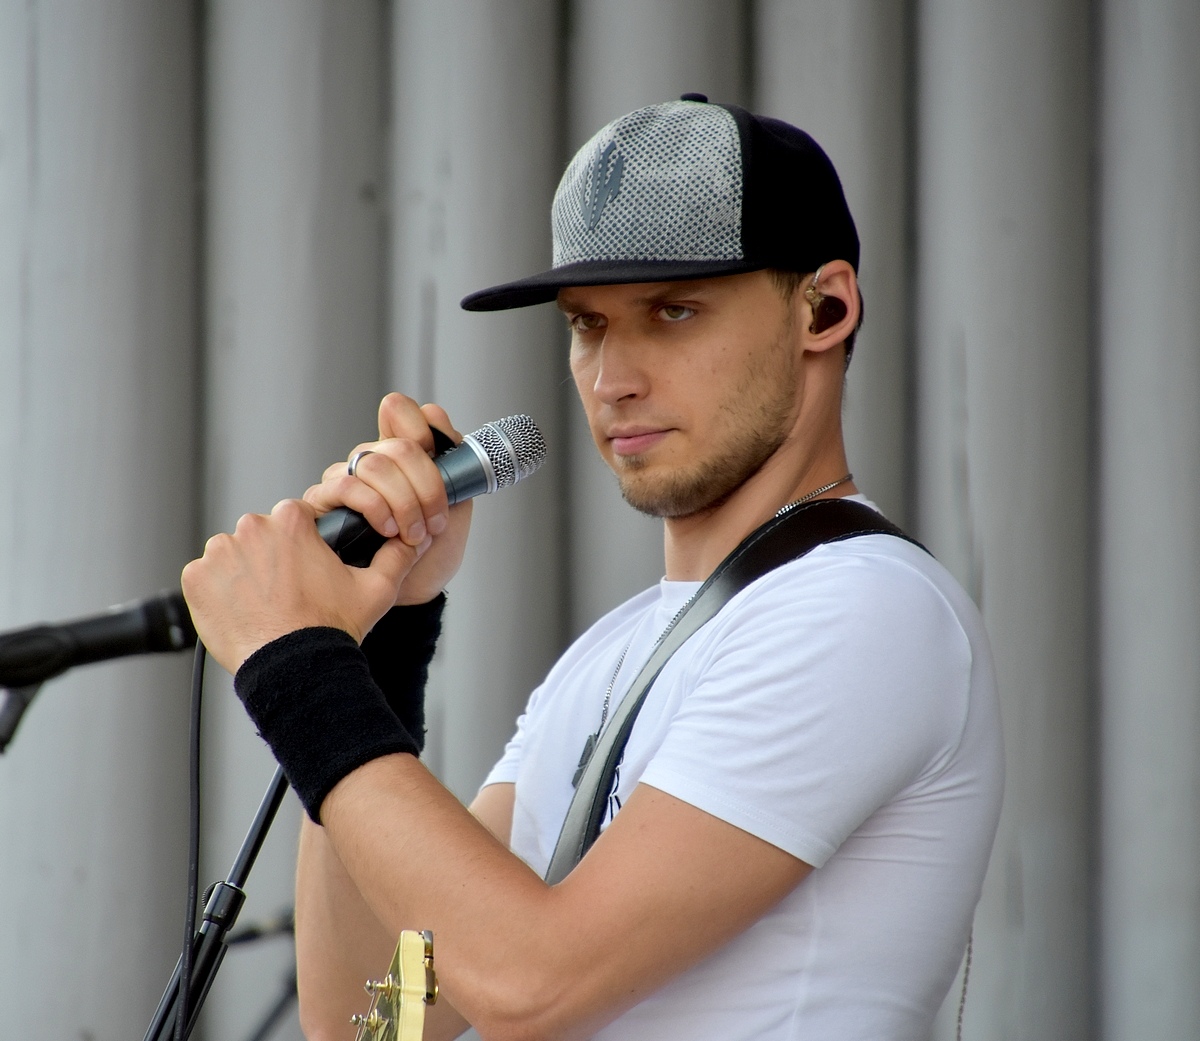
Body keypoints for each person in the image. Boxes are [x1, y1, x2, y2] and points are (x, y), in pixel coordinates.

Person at [182, 97, 1004, 1041]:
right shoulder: (611, 654)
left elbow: (533, 982)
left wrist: (302, 669)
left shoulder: (863, 607)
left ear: (825, 309)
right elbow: (377, 1017)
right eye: (587, 324)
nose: (613, 378)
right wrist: (377, 639)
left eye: (674, 311)